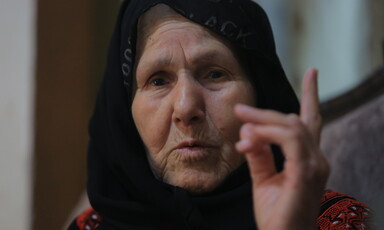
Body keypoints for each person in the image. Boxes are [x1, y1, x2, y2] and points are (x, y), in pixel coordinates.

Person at [68, 0, 372, 229]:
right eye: (158, 80)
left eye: (215, 74)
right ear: (125, 111)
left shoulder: (335, 221)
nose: (186, 108)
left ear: (260, 96)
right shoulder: (92, 226)